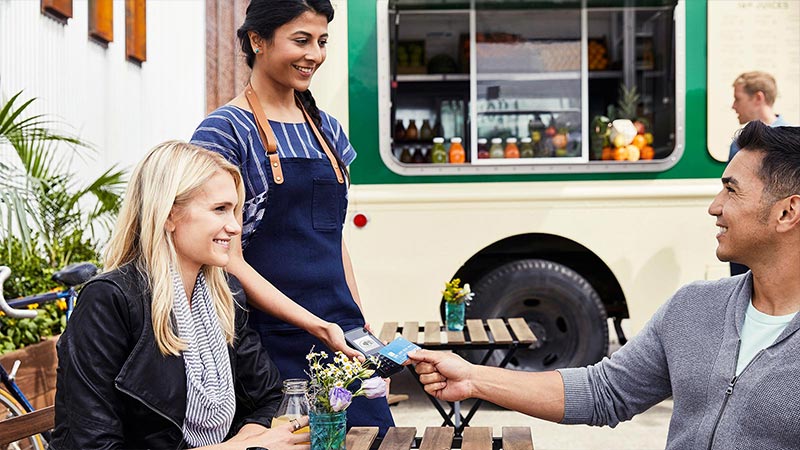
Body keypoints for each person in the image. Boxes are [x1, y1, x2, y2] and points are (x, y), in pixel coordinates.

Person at [410, 121, 800, 449]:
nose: (714, 206)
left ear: (787, 212)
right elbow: (605, 391)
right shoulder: (693, 307)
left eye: (731, 190)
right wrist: (472, 377)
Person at [190, 0, 394, 433]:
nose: (314, 55)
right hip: (263, 341)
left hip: (340, 336)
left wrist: (358, 323)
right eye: (301, 40)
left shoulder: (330, 131)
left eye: (322, 41)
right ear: (257, 40)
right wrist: (316, 325)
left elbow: (334, 237)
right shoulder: (224, 132)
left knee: (373, 438)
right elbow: (226, 257)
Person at [50, 142, 310, 449]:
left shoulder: (225, 295)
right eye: (220, 209)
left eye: (235, 211)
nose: (235, 227)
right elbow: (92, 445)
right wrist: (238, 448)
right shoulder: (109, 301)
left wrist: (247, 437)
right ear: (169, 215)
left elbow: (269, 397)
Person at [728, 71, 790, 275]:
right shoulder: (738, 144)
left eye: (738, 99)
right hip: (740, 235)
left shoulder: (790, 143)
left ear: (758, 98)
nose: (733, 106)